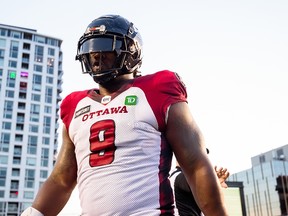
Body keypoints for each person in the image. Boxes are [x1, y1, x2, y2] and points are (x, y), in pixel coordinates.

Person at [21, 14, 228, 216]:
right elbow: (62, 179)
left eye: (104, 46)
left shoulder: (157, 88)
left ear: (130, 52)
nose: (95, 54)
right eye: (91, 48)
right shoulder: (74, 105)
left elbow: (195, 163)